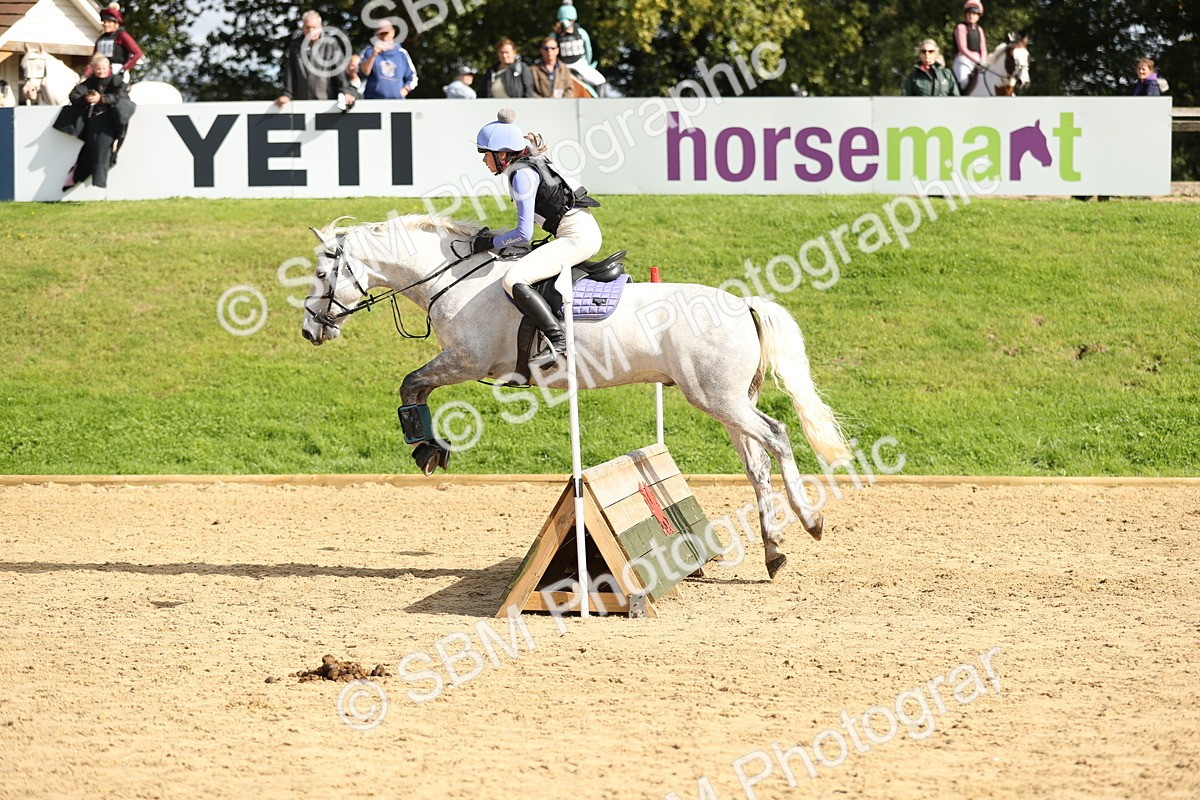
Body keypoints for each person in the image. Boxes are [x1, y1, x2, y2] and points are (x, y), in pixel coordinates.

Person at [470, 108, 602, 370]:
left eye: (486, 155)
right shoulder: (527, 165)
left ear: (502, 154)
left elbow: (523, 233)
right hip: (576, 230)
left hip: (577, 236)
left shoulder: (522, 175)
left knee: (513, 279)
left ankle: (558, 340)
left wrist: (490, 242)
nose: (484, 161)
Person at [54, 54, 136, 191]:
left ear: (109, 68)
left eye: (104, 68)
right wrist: (86, 99)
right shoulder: (89, 83)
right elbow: (74, 95)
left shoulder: (116, 80)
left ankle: (99, 184)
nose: (101, 71)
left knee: (101, 149)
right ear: (93, 69)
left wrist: (101, 99)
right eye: (98, 69)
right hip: (94, 122)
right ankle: (78, 179)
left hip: (113, 121)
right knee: (88, 153)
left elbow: (122, 96)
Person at [276, 10, 356, 108]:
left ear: (321, 27)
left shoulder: (331, 44)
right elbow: (290, 70)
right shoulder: (296, 45)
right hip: (303, 102)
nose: (311, 31)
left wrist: (345, 91)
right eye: (307, 28)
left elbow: (340, 70)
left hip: (327, 102)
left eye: (314, 27)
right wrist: (287, 94)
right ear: (303, 28)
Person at [551, 1, 606, 93]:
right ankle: (600, 104)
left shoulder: (554, 35)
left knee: (601, 80)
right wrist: (587, 64)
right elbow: (588, 52)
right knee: (601, 81)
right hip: (575, 66)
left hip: (565, 67)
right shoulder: (581, 32)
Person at [359, 20, 418, 99]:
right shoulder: (368, 52)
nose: (384, 37)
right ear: (376, 35)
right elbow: (362, 73)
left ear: (393, 33)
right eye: (380, 34)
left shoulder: (402, 54)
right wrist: (373, 55)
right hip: (373, 102)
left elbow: (413, 77)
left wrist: (405, 90)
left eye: (386, 33)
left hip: (396, 103)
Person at [86, 4, 143, 82]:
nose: (106, 24)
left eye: (109, 22)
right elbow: (93, 60)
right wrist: (85, 75)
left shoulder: (122, 36)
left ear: (116, 24)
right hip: (101, 73)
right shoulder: (101, 39)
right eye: (104, 22)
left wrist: (124, 69)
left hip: (117, 72)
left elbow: (138, 53)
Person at [951, 0, 988, 91]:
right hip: (963, 60)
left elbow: (983, 48)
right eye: (969, 13)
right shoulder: (961, 27)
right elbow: (962, 48)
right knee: (963, 82)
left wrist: (983, 60)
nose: (971, 16)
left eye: (975, 14)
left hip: (979, 61)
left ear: (979, 16)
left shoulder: (980, 29)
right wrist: (976, 60)